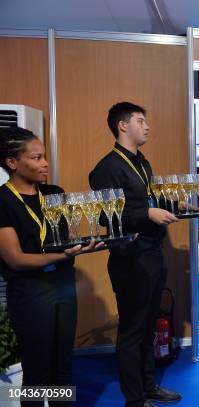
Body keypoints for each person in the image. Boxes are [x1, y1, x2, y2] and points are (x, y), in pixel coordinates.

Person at [0, 127, 102, 407]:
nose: (45, 163)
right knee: (37, 373)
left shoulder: (55, 193)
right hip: (30, 294)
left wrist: (85, 244)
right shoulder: (3, 200)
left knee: (63, 367)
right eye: (36, 157)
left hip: (63, 288)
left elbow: (65, 239)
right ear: (12, 163)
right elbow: (15, 259)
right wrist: (63, 256)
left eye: (44, 156)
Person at [89, 102, 181, 407]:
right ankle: (135, 399)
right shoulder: (106, 169)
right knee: (132, 331)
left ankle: (149, 386)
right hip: (130, 259)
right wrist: (147, 214)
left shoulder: (142, 162)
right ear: (122, 126)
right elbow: (106, 218)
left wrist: (177, 206)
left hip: (152, 255)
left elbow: (148, 200)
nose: (147, 126)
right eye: (141, 121)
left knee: (149, 326)